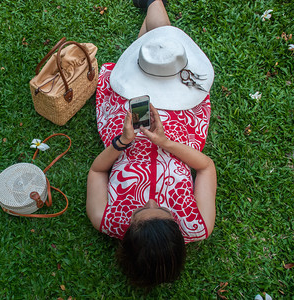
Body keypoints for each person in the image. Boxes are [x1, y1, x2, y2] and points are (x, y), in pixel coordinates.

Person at [86, 0, 217, 288]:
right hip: (178, 130)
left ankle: (151, 11)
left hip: (129, 124)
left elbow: (96, 172)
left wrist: (122, 142)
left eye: (140, 210)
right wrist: (166, 142)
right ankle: (152, 10)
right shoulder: (198, 225)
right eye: (165, 211)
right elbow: (206, 167)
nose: (151, 200)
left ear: (127, 238)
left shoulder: (104, 218)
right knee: (163, 50)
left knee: (152, 59)